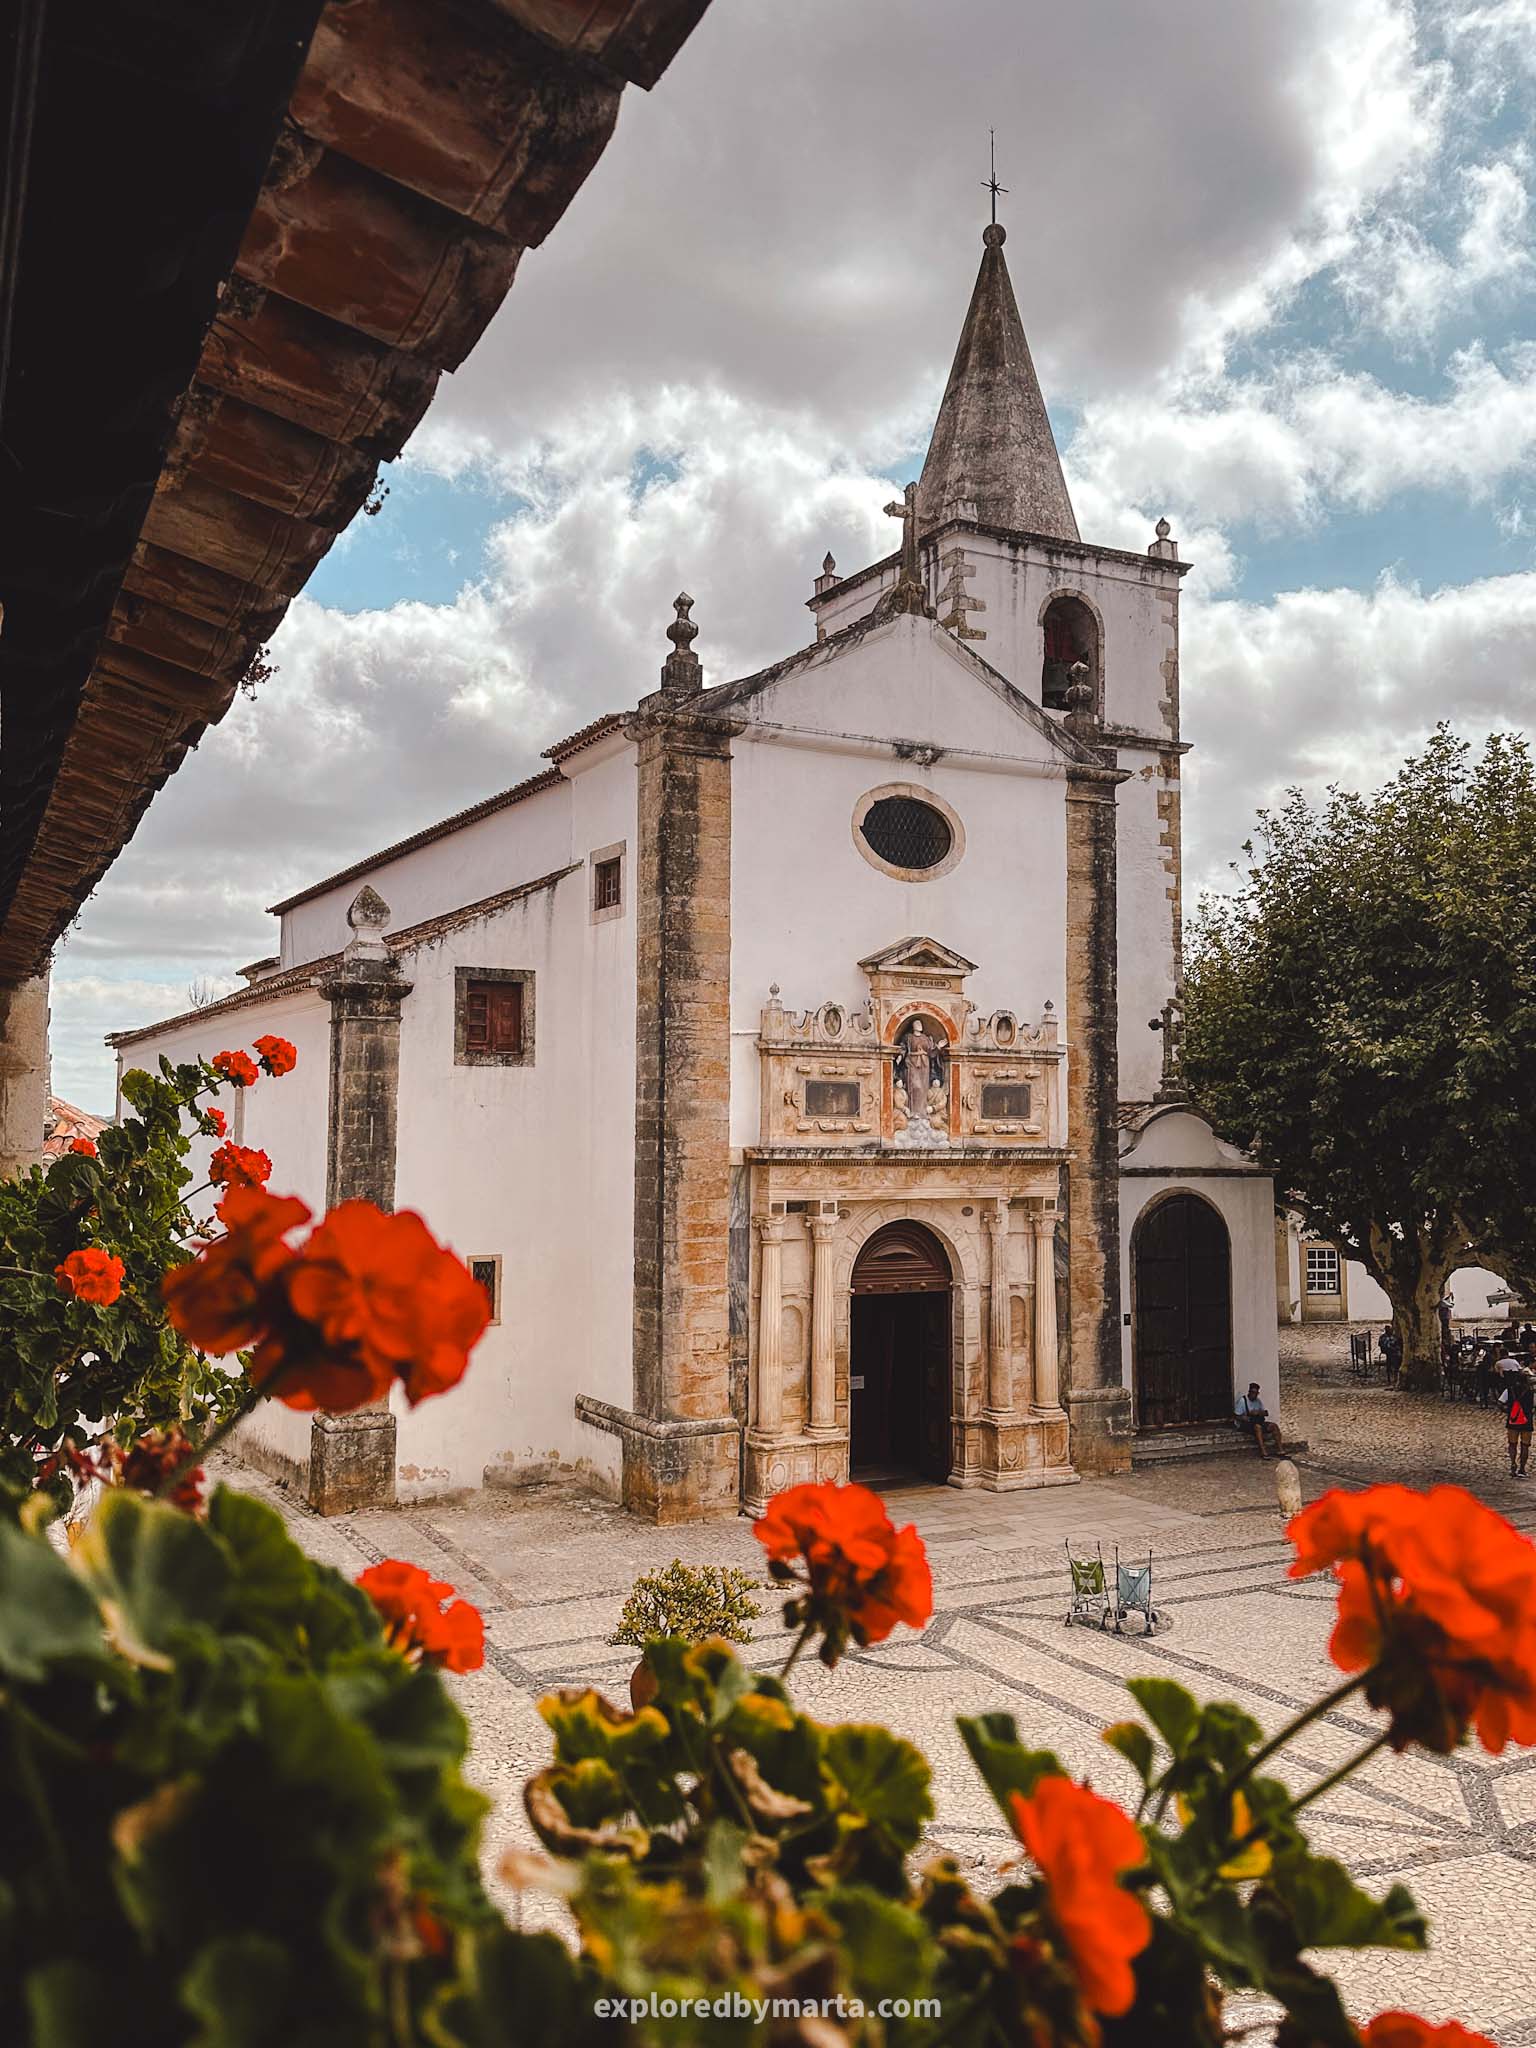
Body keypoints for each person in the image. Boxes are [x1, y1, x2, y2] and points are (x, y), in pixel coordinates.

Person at [1498, 1355, 1533, 1478]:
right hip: (1526, 1420)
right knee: (1525, 1445)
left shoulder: (1510, 1390)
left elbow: (1500, 1403)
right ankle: (1522, 1468)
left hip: (1513, 1420)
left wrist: (1508, 1411)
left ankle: (1513, 1464)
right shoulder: (1530, 1392)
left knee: (1512, 1444)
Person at [1234, 1383, 1280, 1458]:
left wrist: (1258, 1413)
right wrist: (1245, 1417)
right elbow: (1236, 1416)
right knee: (1258, 1427)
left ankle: (1280, 1449)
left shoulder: (1258, 1401)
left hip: (1257, 1421)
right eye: (1252, 1392)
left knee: (1274, 1426)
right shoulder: (1243, 1401)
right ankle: (1263, 1451)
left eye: (1256, 1393)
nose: (1254, 1395)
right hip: (1246, 1424)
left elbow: (1266, 1412)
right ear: (1249, 1392)